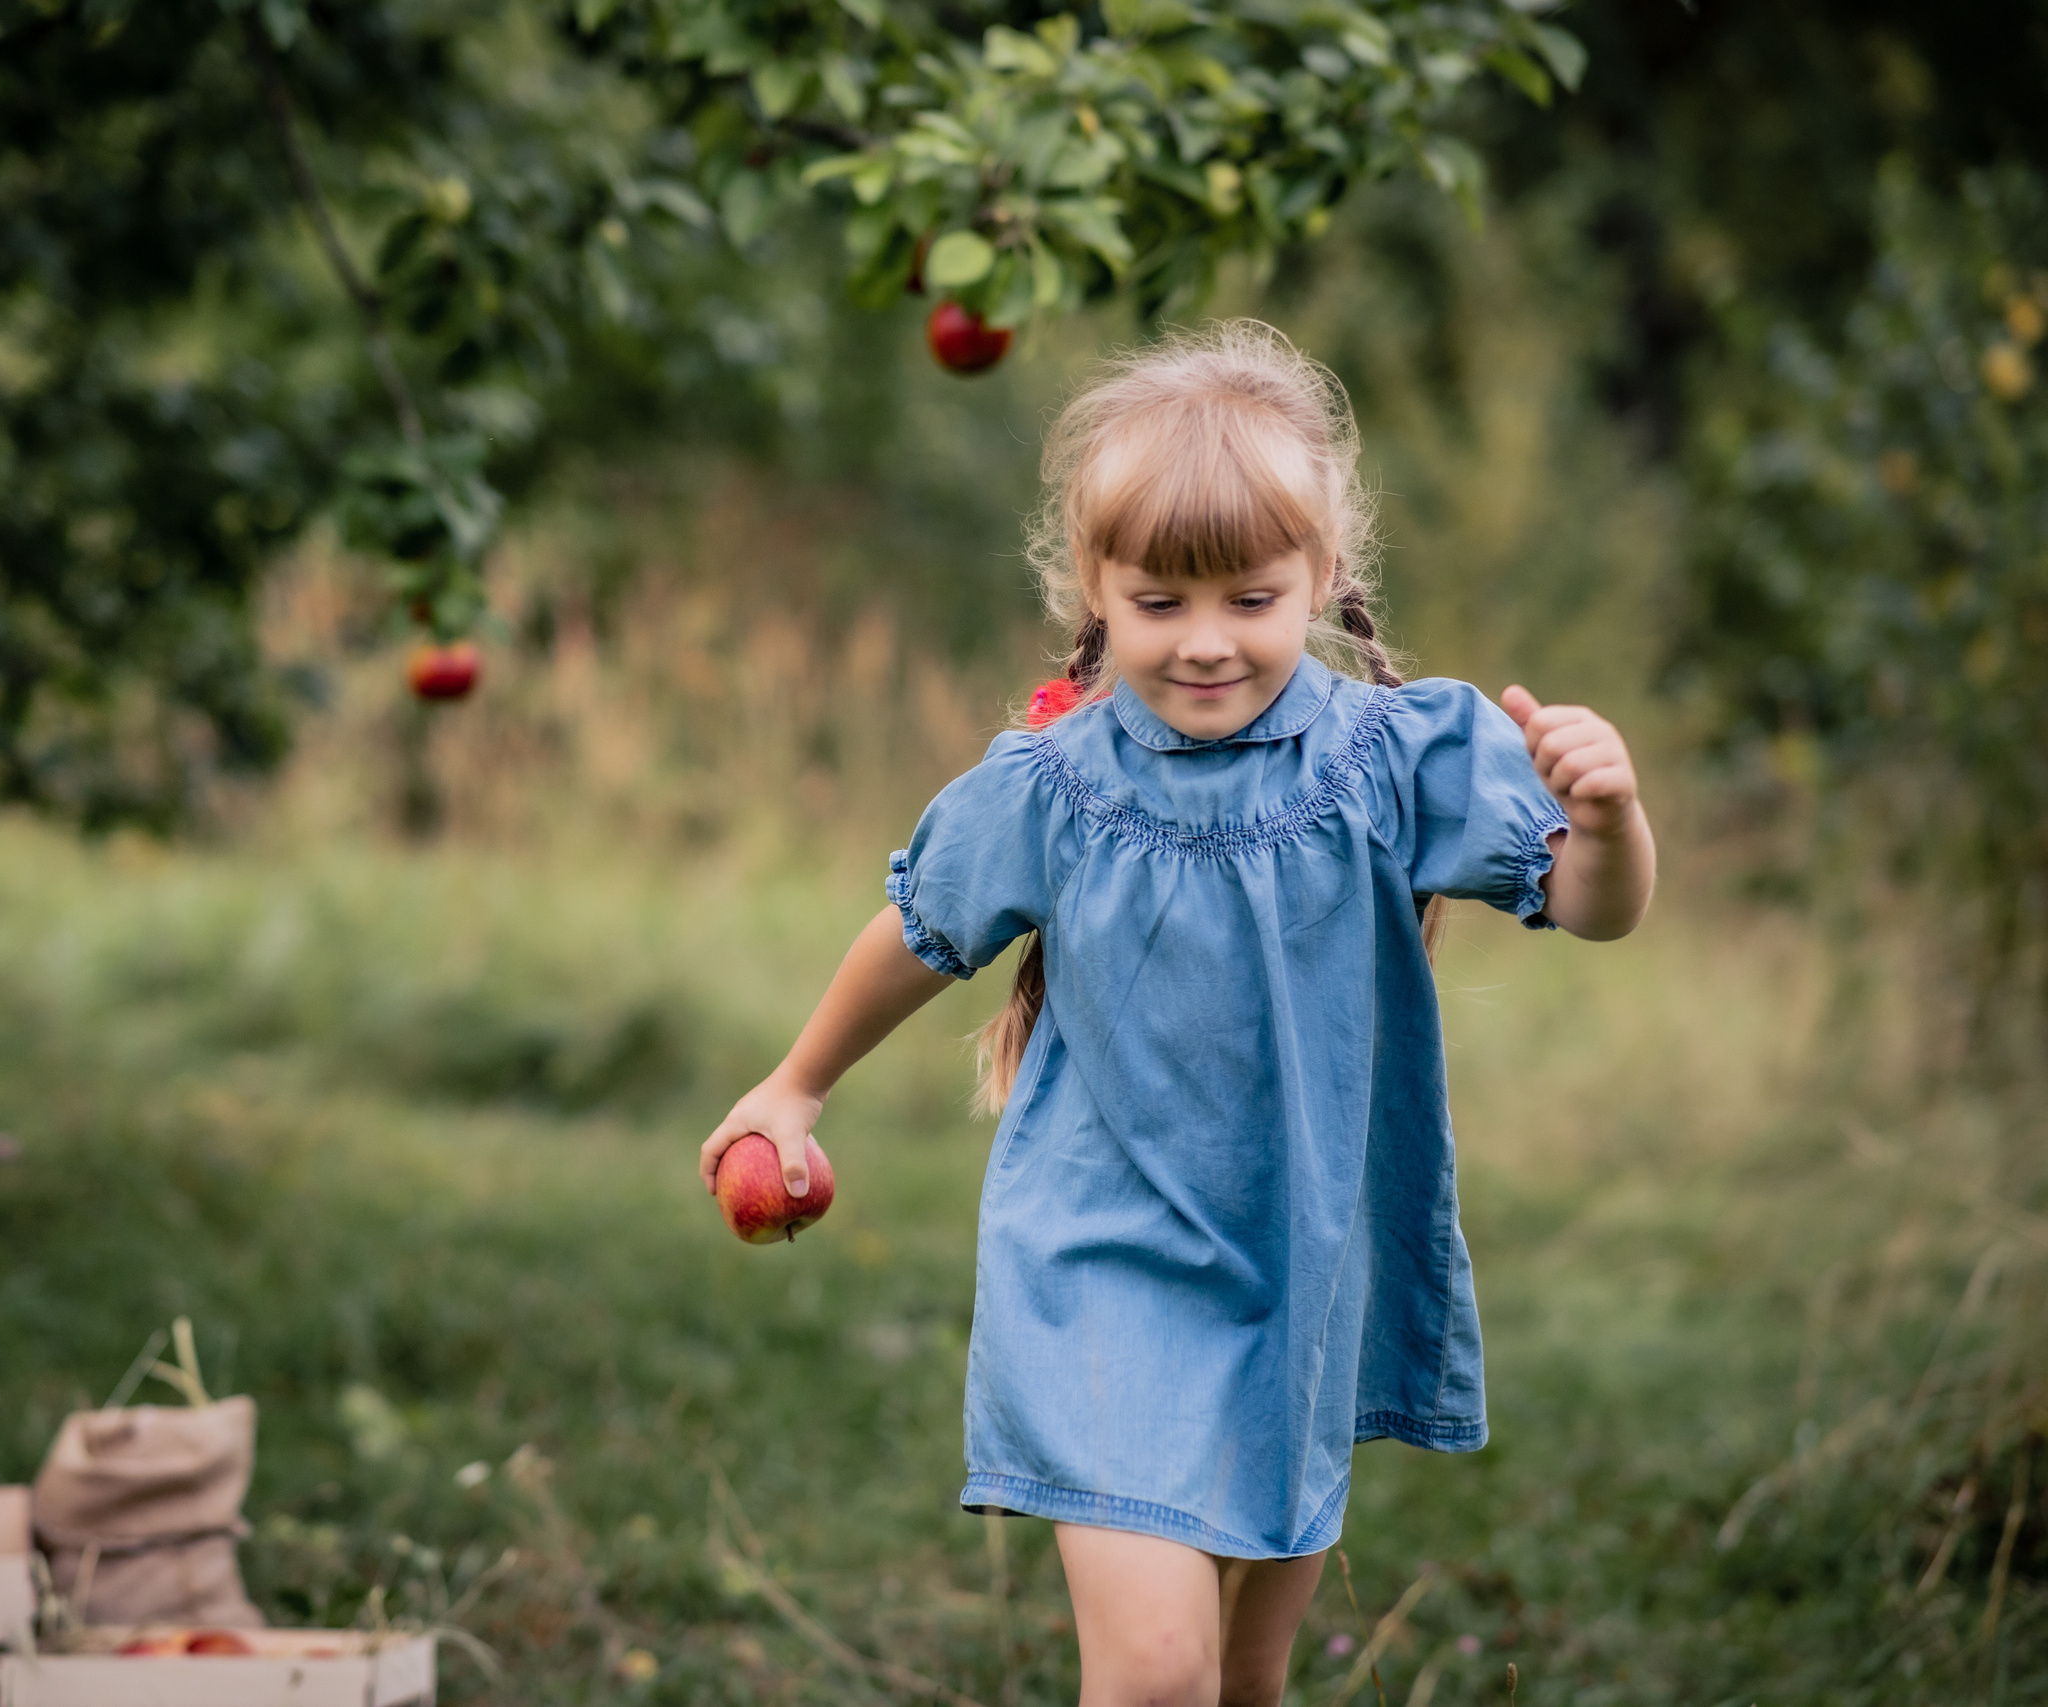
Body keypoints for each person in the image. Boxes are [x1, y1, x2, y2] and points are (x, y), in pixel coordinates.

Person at [699, 321, 1655, 1707]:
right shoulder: (1053, 783)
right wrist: (796, 1085)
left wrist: (1609, 818)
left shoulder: (1391, 759)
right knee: (1156, 1677)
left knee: (1244, 1687)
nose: (1206, 644)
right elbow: (919, 933)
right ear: (1097, 587)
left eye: (1252, 600)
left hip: (1302, 1259)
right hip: (1103, 1258)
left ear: (1324, 576)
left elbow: (1590, 904)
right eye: (1160, 604)